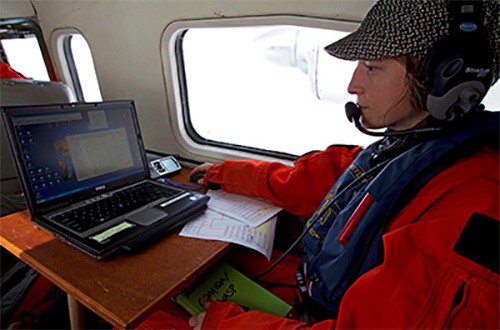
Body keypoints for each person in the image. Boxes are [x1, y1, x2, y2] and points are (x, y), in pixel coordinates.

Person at [139, 0, 500, 328]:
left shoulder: (472, 208)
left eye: (372, 67)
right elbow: (327, 176)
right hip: (317, 292)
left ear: (445, 76)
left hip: (328, 314)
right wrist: (226, 173)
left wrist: (221, 324)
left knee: (146, 321)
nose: (353, 85)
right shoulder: (412, 148)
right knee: (158, 289)